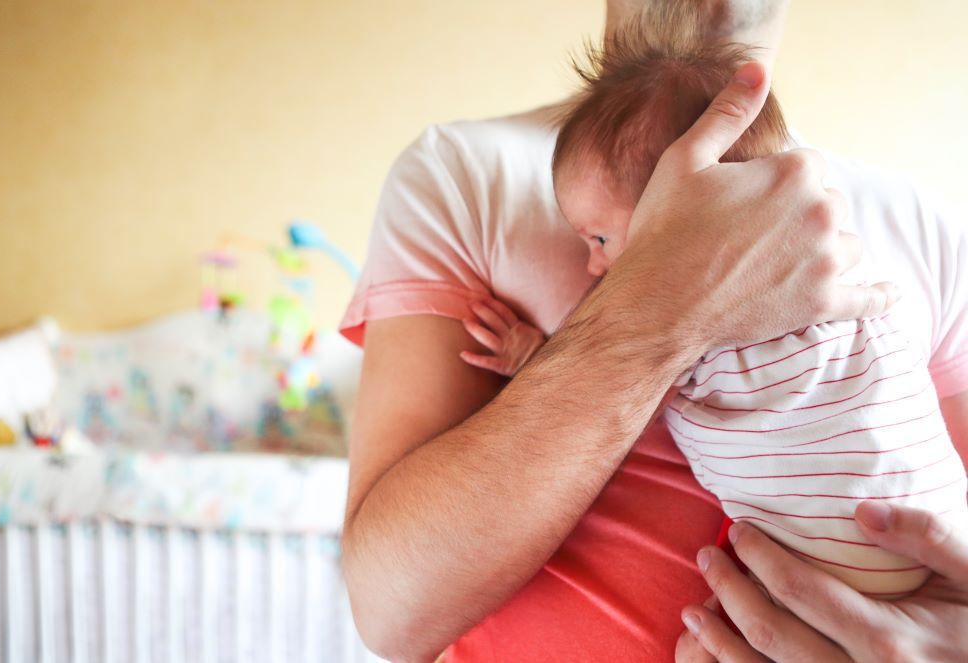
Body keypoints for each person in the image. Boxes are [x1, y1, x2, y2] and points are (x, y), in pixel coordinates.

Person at [339, 1, 968, 660]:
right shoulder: (464, 176)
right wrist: (660, 297)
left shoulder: (924, 222)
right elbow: (391, 612)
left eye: (604, 240)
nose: (594, 259)